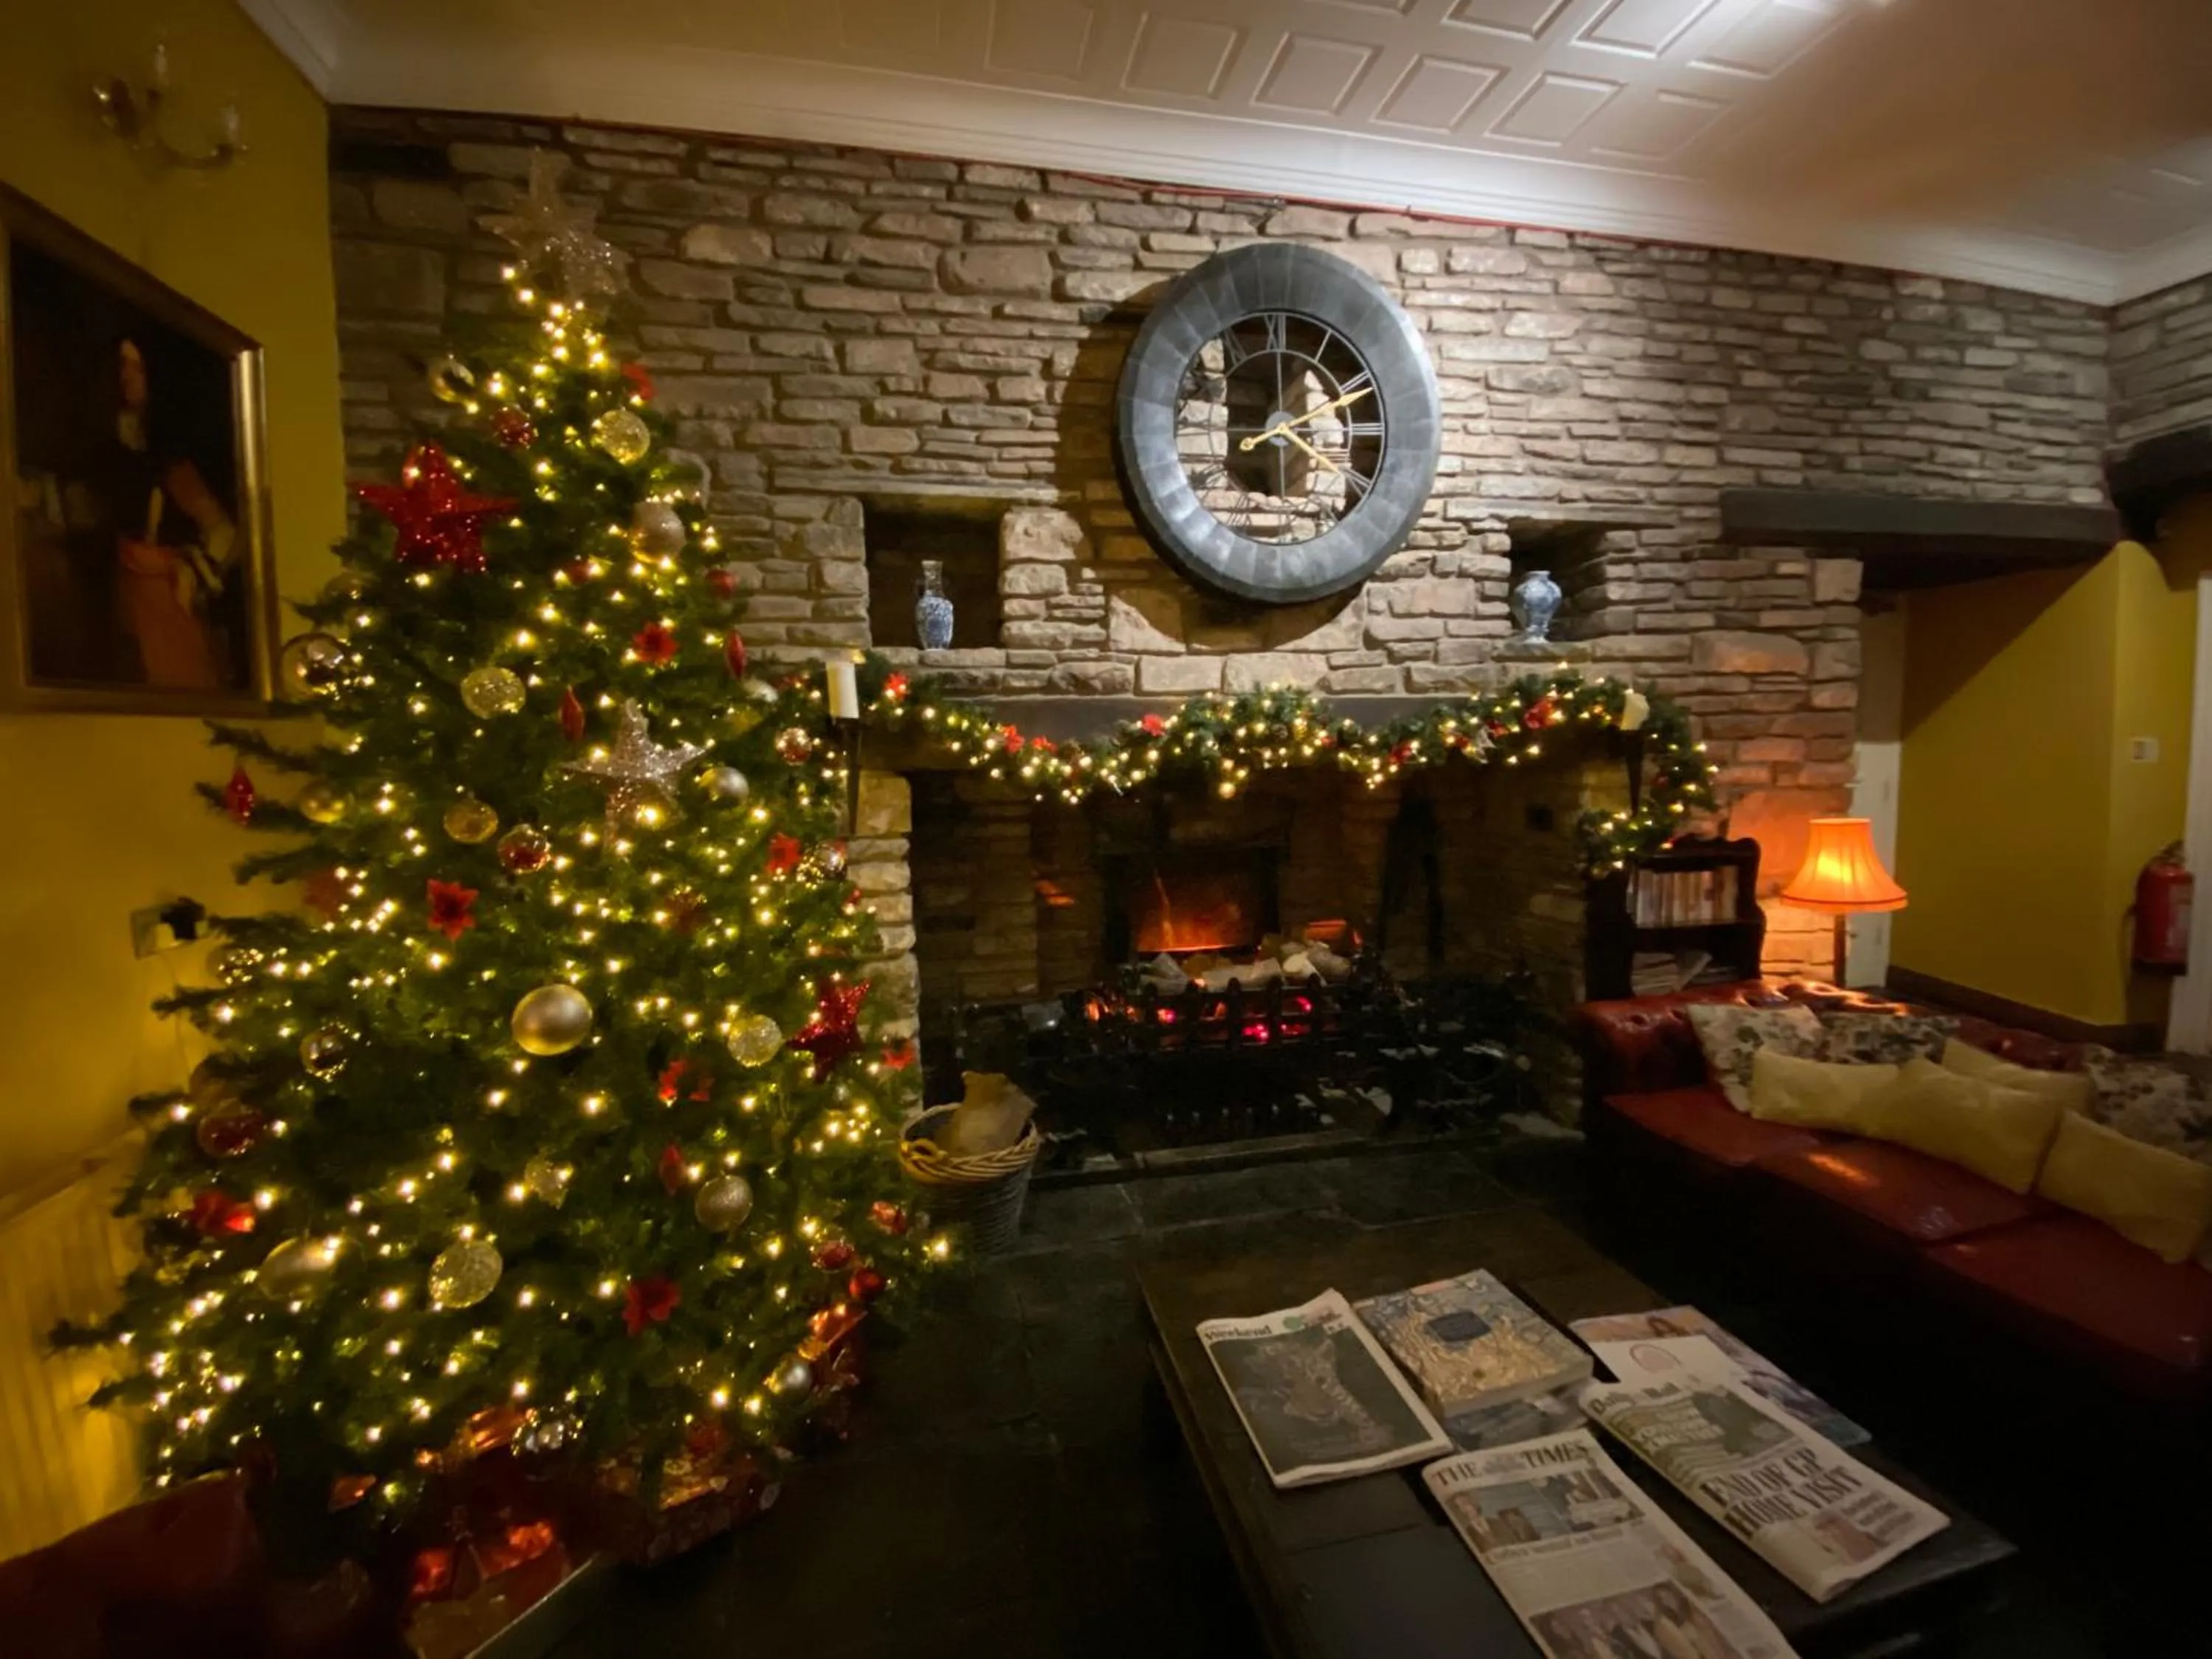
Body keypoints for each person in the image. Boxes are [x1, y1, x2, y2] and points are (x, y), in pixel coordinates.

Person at [101, 338, 237, 687]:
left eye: (138, 368)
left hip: (165, 600)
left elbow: (223, 530)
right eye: (122, 366)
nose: (127, 378)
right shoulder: (113, 444)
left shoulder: (172, 460)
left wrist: (193, 567)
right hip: (125, 593)